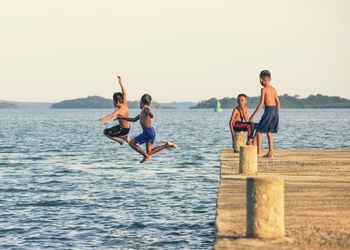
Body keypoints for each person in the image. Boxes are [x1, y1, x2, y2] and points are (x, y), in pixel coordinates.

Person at [117, 94, 177, 163]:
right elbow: (133, 119)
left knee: (131, 143)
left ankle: (145, 155)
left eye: (140, 103)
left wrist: (149, 112)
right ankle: (167, 145)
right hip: (151, 131)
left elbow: (151, 115)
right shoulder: (142, 112)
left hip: (148, 132)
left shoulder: (145, 109)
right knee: (150, 152)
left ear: (142, 103)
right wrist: (122, 117)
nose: (139, 105)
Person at [249, 70, 280, 158]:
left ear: (262, 80)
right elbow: (278, 102)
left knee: (259, 131)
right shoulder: (273, 89)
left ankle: (258, 152)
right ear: (270, 79)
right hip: (274, 111)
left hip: (269, 110)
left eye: (260, 80)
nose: (260, 82)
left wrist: (253, 116)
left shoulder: (264, 89)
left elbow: (262, 103)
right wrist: (277, 113)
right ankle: (271, 152)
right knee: (269, 132)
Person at [99, 76, 130, 145]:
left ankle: (120, 141)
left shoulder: (119, 110)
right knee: (113, 130)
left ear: (117, 101)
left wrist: (102, 120)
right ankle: (124, 137)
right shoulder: (124, 103)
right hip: (125, 127)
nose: (113, 102)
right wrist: (120, 83)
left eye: (113, 100)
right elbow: (124, 93)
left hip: (123, 130)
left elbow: (111, 115)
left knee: (105, 132)